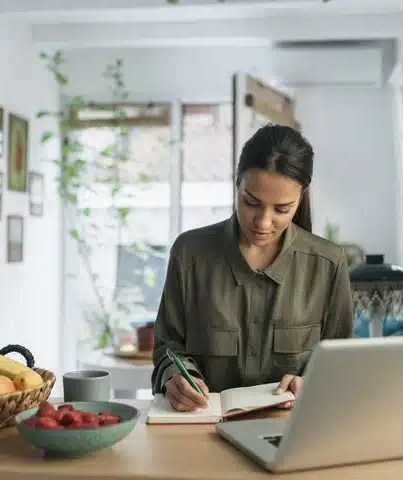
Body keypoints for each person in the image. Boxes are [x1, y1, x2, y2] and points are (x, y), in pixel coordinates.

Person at [151, 123, 354, 412]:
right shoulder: (190, 254)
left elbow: (341, 363)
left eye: (282, 209)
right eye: (251, 203)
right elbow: (167, 346)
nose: (263, 222)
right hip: (202, 427)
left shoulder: (328, 264)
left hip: (292, 430)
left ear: (301, 198)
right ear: (237, 185)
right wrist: (177, 378)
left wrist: (315, 383)